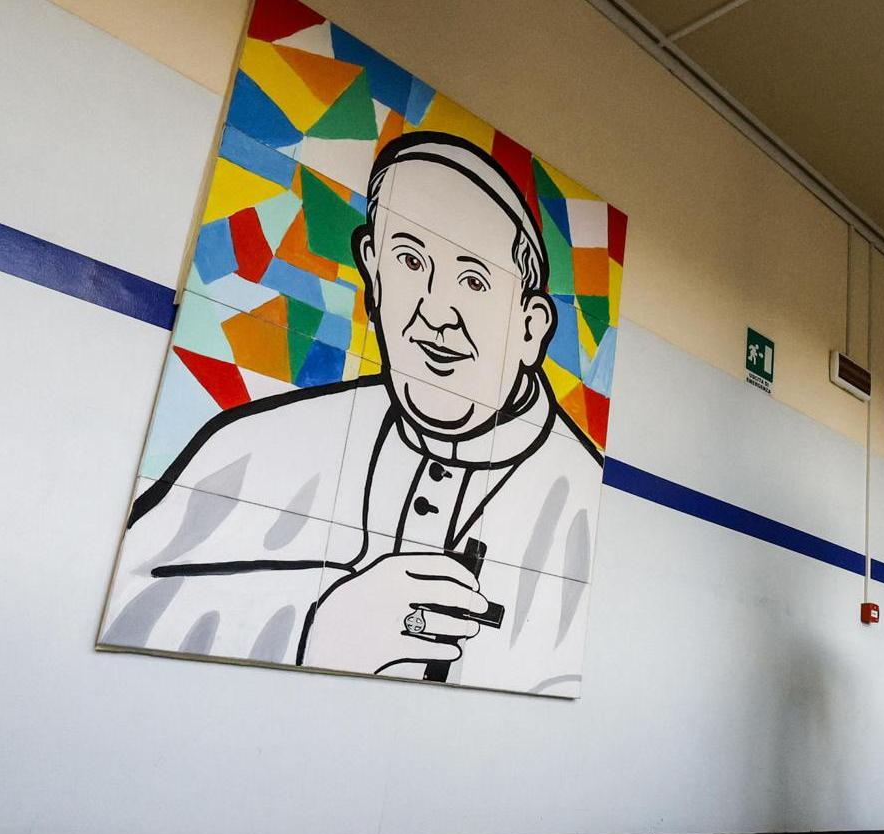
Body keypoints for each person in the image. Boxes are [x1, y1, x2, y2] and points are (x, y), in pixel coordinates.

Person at [97, 132, 599, 697]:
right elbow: (121, 596)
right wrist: (325, 627)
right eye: (410, 261)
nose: (435, 310)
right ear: (371, 269)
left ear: (531, 327)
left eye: (474, 280)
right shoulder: (252, 442)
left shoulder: (582, 501)